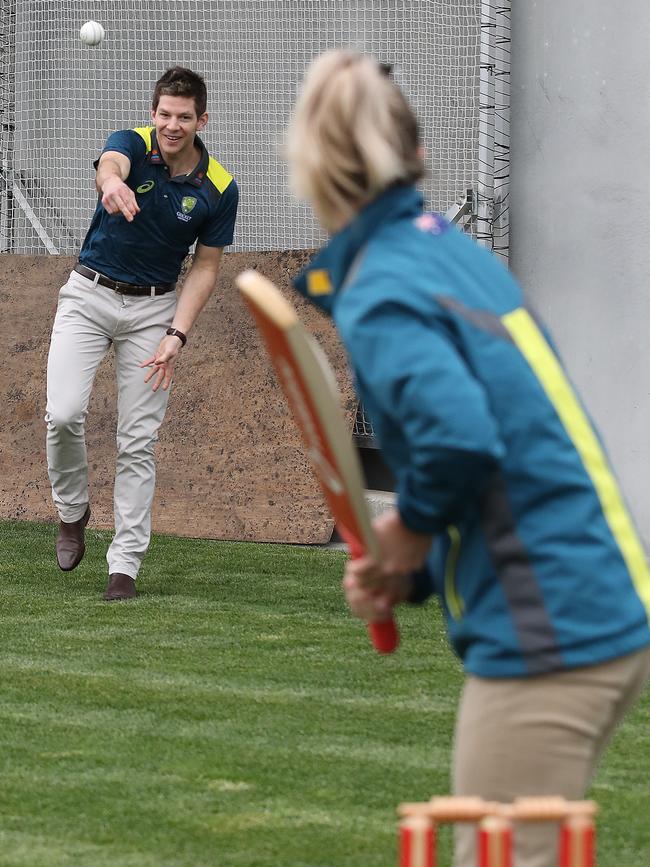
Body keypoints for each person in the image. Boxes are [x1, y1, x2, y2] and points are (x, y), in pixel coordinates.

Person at [286, 49, 650, 867]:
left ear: (313, 172)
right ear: (415, 156)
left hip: (549, 636)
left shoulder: (382, 290)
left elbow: (459, 440)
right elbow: (490, 455)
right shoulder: (445, 252)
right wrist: (408, 569)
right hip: (599, 609)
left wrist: (405, 533)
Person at [45, 66, 238, 601]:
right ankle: (71, 510)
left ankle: (123, 566)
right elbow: (112, 163)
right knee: (62, 415)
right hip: (87, 296)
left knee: (138, 442)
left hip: (155, 312)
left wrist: (177, 333)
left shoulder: (219, 187)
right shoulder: (131, 143)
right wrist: (109, 182)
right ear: (153, 114)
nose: (172, 126)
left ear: (202, 119)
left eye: (184, 117)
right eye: (164, 115)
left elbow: (204, 266)